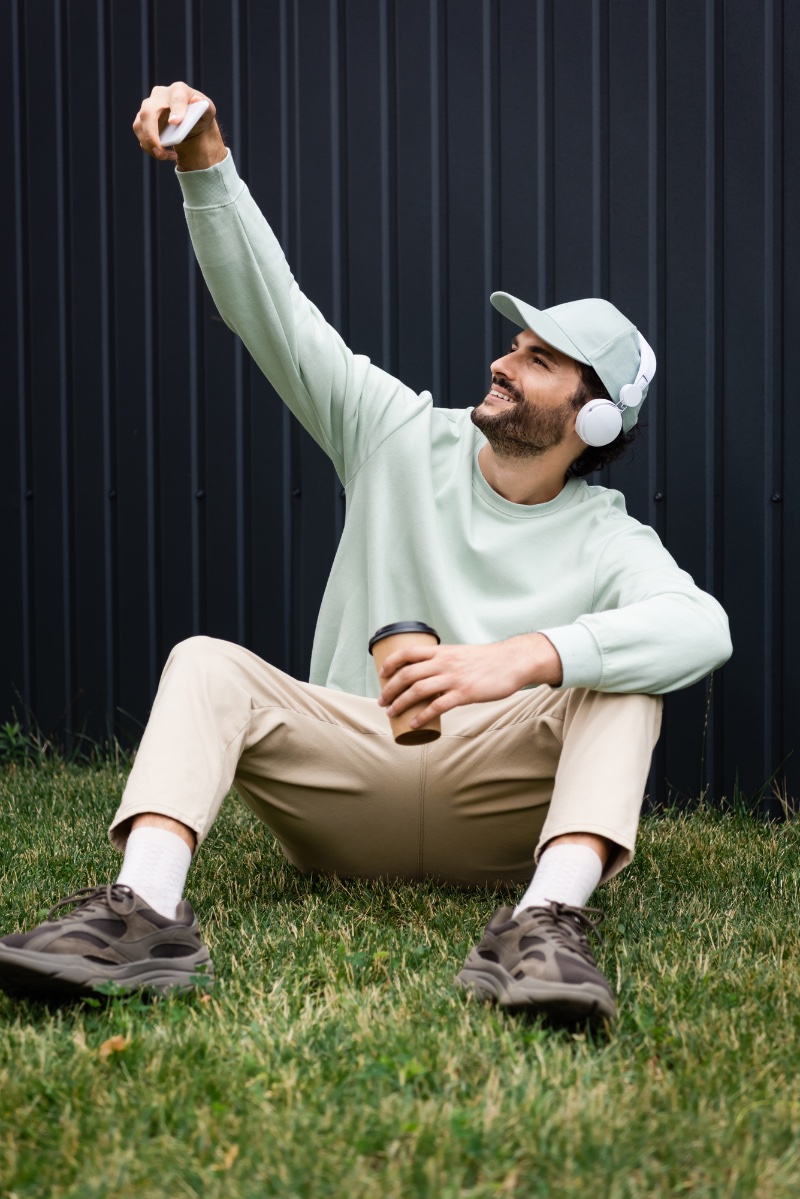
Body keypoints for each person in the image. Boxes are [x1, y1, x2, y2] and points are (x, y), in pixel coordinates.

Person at [0, 83, 732, 1023]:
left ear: (591, 418)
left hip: (494, 811)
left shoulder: (608, 534)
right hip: (348, 769)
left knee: (623, 677)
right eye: (515, 343)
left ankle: (545, 926)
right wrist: (205, 164)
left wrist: (519, 657)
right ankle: (141, 913)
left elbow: (701, 627)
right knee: (204, 663)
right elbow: (277, 316)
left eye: (540, 359)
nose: (506, 362)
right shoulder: (396, 432)